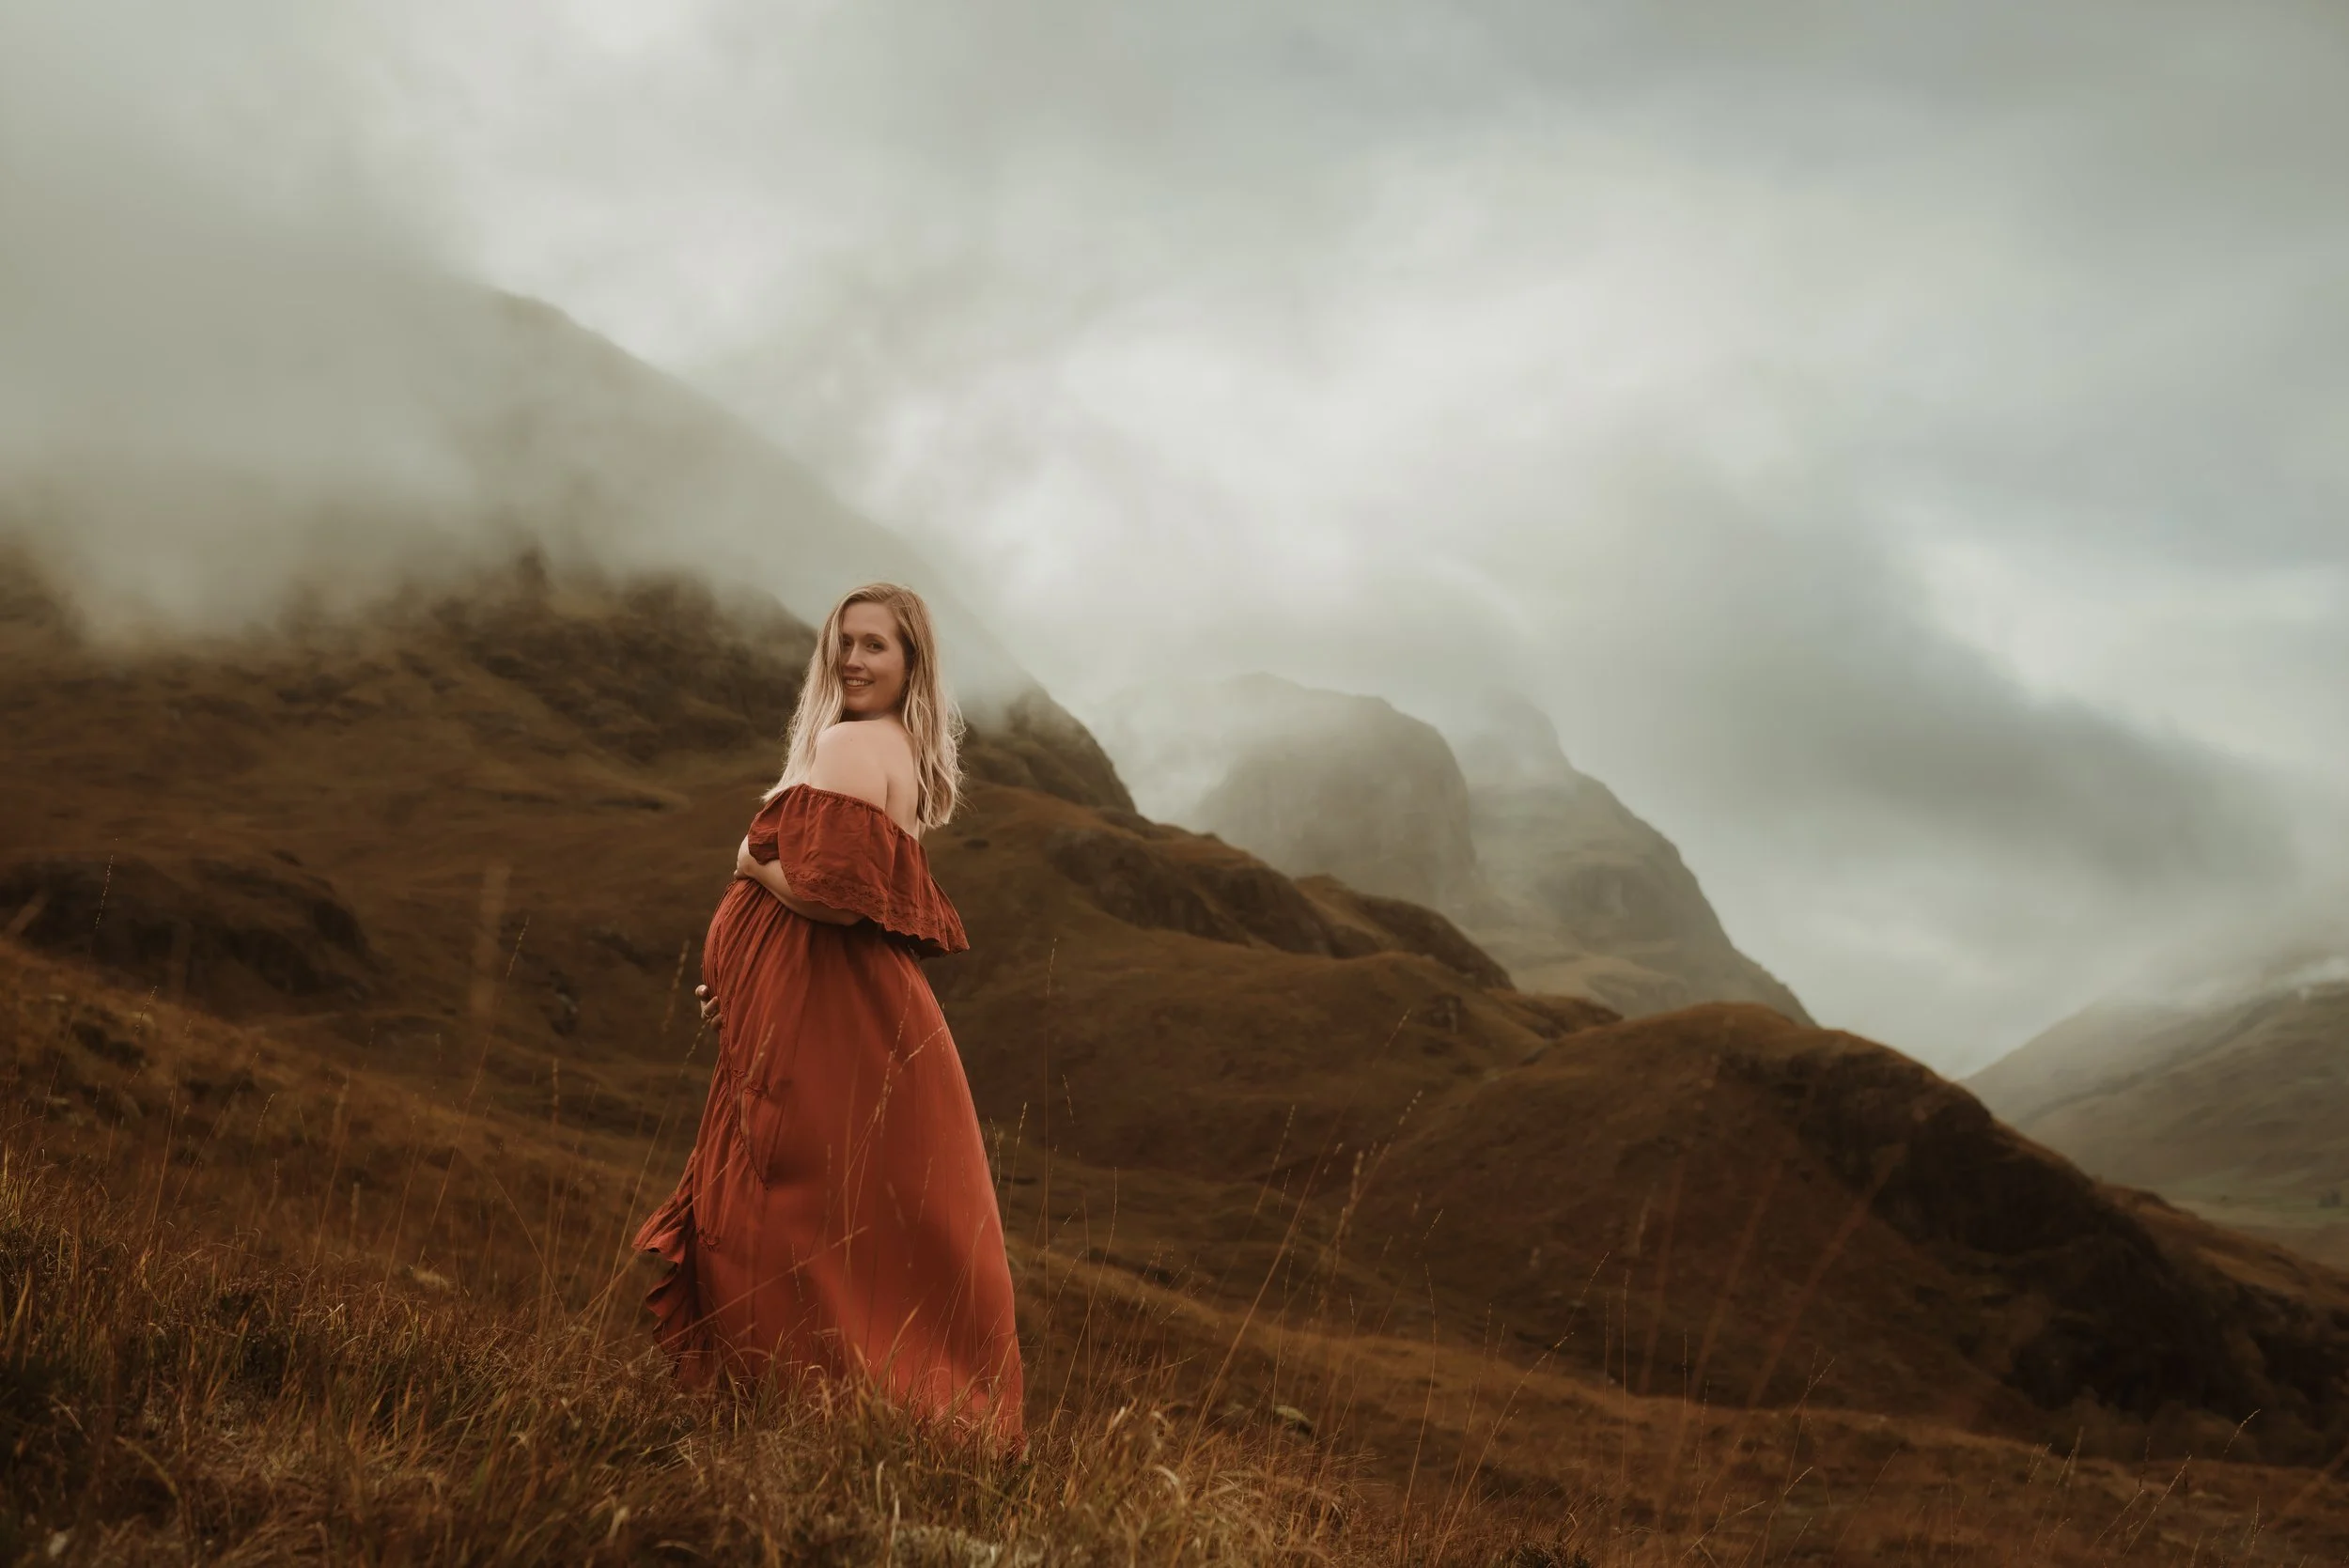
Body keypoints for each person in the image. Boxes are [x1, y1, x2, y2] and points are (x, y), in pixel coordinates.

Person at [631, 582, 1023, 1445]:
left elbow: (833, 901)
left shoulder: (851, 745)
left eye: (875, 645)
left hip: (821, 1013)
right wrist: (743, 979)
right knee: (844, 1220)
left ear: (911, 661)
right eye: (843, 641)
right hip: (822, 1006)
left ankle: (776, 1406)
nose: (852, 658)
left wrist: (749, 864)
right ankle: (867, 1415)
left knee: (782, 1213)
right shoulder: (894, 750)